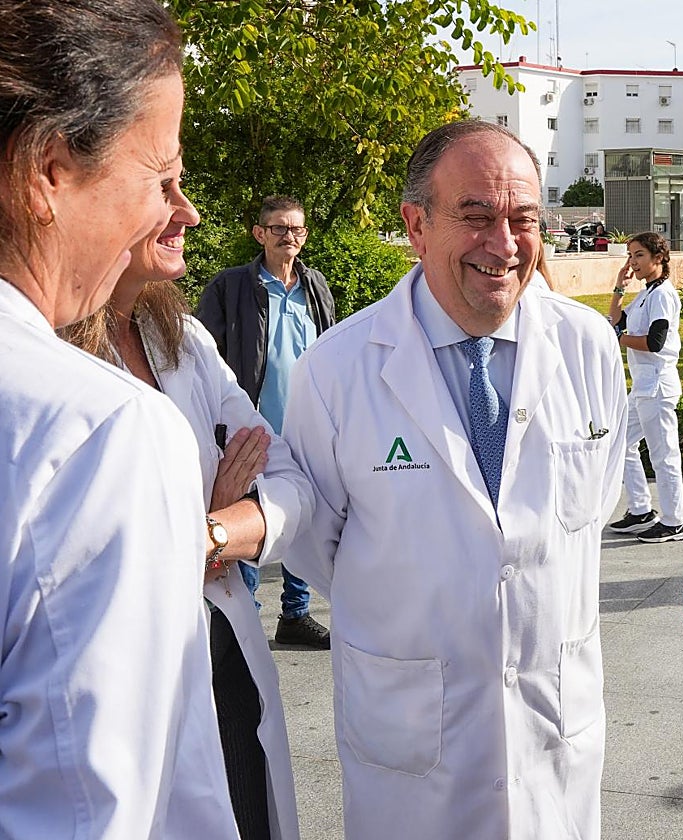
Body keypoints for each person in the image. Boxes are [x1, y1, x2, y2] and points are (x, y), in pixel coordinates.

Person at [282, 120, 627, 839]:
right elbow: (316, 548)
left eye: (524, 218)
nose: (504, 244)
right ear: (416, 225)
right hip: (411, 748)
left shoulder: (587, 345)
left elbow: (593, 506)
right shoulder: (338, 368)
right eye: (475, 216)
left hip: (552, 733)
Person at [0, 1, 239, 836]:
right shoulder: (100, 431)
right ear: (49, 171)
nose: (180, 210)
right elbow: (83, 815)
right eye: (160, 176)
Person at [62, 180, 311, 840]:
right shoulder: (40, 357)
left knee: (247, 811)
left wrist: (210, 532)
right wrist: (198, 524)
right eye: (160, 187)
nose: (189, 213)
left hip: (222, 639)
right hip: (112, 678)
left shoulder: (185, 340)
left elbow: (289, 480)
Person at [198, 196, 335, 649]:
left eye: (296, 229)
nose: (288, 236)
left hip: (308, 427)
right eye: (278, 228)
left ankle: (295, 615)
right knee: (253, 515)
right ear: (260, 234)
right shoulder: (232, 286)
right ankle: (245, 621)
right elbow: (205, 358)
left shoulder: (315, 285)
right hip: (253, 429)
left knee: (302, 520)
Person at [607, 232, 683, 543]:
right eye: (630, 256)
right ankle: (641, 510)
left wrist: (619, 339)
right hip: (643, 388)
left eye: (639, 255)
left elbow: (655, 342)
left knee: (663, 455)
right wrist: (619, 287)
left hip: (657, 386)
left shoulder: (663, 295)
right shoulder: (646, 294)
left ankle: (674, 522)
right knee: (620, 442)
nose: (633, 262)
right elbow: (616, 322)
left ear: (659, 258)